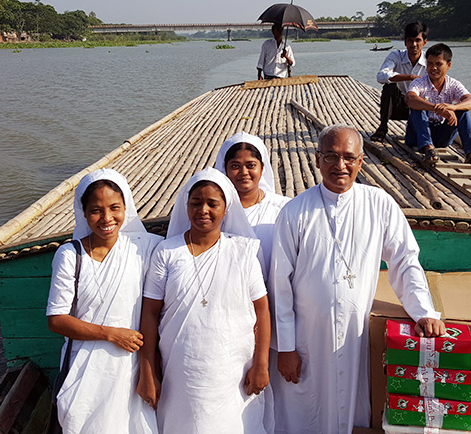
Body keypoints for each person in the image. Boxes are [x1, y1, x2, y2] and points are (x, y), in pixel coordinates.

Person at [270, 124, 445, 434]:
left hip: (355, 337)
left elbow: (405, 261)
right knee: (302, 414)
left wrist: (424, 311)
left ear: (361, 161)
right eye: (331, 157)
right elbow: (280, 284)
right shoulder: (294, 212)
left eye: (349, 158)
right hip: (307, 338)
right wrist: (285, 347)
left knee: (353, 412)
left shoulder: (380, 204)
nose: (340, 166)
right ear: (317, 160)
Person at [137, 168, 272, 434]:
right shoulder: (166, 252)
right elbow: (150, 314)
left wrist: (261, 364)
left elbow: (263, 311)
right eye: (196, 203)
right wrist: (148, 371)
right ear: (185, 206)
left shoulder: (243, 251)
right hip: (180, 371)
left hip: (233, 371)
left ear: (226, 209)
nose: (203, 210)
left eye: (213, 203)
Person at [46, 168, 162, 434]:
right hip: (84, 368)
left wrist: (149, 372)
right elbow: (56, 319)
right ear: (84, 213)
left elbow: (153, 312)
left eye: (115, 208)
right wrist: (111, 334)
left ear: (126, 208)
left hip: (130, 366)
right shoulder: (69, 255)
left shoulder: (143, 249)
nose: (107, 218)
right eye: (96, 210)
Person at [214, 131, 291, 277]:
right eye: (235, 166)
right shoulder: (214, 213)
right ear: (225, 169)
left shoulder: (284, 209)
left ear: (262, 168)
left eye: (251, 165)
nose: (244, 172)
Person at [404, 43, 471, 171]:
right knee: (418, 106)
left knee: (463, 111)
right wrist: (437, 108)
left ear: (448, 65)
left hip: (441, 137)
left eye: (438, 64)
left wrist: (452, 108)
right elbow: (410, 99)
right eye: (430, 63)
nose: (433, 68)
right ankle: (428, 148)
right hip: (417, 136)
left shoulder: (453, 84)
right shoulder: (420, 83)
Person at [370, 21, 429, 142]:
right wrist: (409, 77)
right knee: (389, 87)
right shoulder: (396, 55)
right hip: (399, 106)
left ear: (424, 42)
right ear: (405, 42)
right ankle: (382, 128)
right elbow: (381, 76)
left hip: (420, 106)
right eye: (410, 41)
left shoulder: (430, 60)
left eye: (418, 40)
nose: (414, 44)